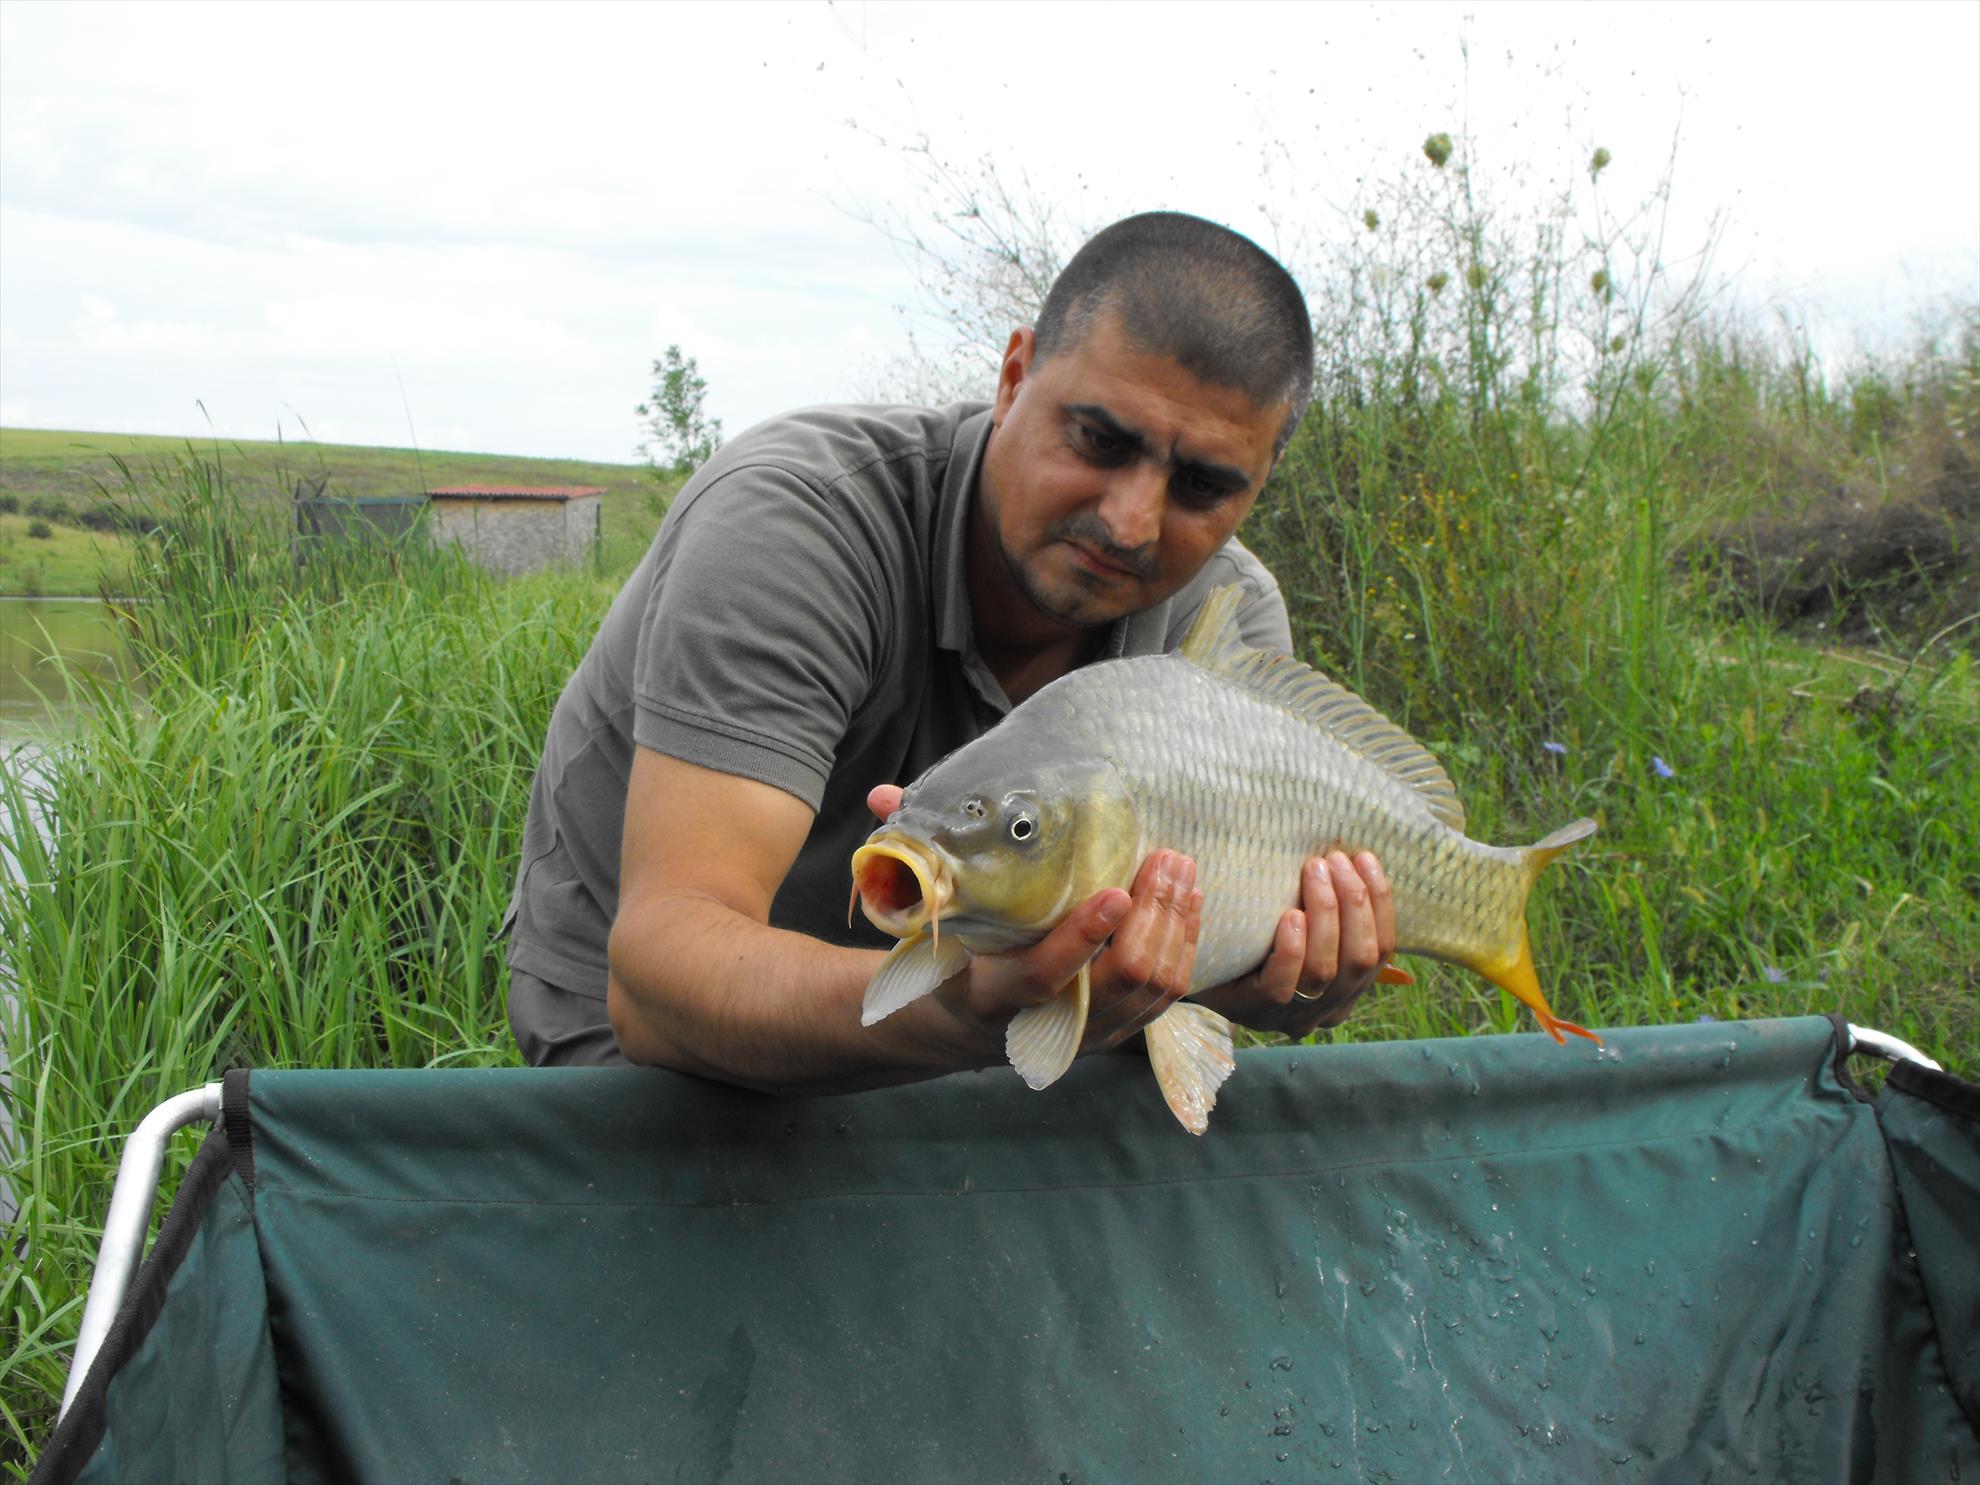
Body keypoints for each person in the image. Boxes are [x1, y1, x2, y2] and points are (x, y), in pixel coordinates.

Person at [504, 210, 1396, 1089]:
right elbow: (659, 983)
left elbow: (1157, 992)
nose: (1130, 523)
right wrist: (963, 1015)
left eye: (1201, 486)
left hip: (995, 1022)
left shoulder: (1227, 612)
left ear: (1256, 488)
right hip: (675, 1051)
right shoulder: (793, 527)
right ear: (1013, 378)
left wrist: (1247, 978)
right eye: (1099, 441)